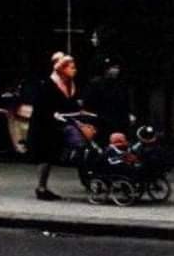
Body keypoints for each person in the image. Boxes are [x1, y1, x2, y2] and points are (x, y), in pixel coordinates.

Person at [28, 53, 81, 200]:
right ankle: (41, 187)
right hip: (44, 125)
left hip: (56, 124)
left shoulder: (69, 84)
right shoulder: (48, 84)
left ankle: (42, 186)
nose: (75, 70)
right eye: (71, 67)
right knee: (44, 156)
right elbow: (43, 107)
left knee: (49, 156)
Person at [84, 57, 132, 147]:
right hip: (102, 122)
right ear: (107, 69)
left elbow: (125, 101)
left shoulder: (121, 84)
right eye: (114, 68)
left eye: (117, 68)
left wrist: (129, 114)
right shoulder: (95, 84)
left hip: (119, 121)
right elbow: (89, 105)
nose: (116, 70)